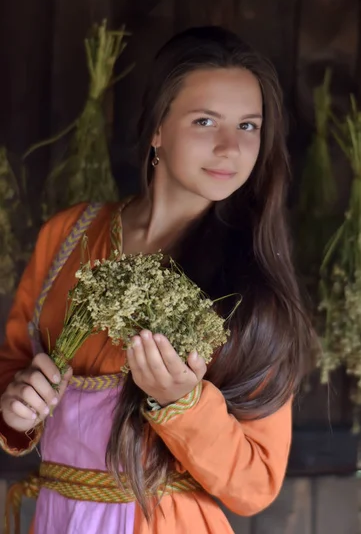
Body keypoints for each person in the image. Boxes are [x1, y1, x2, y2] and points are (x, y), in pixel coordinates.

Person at [0, 26, 314, 534]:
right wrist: (17, 408)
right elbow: (14, 366)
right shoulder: (68, 234)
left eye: (249, 126)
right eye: (205, 120)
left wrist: (181, 402)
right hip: (58, 516)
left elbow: (255, 485)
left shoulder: (252, 290)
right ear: (157, 130)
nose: (230, 147)